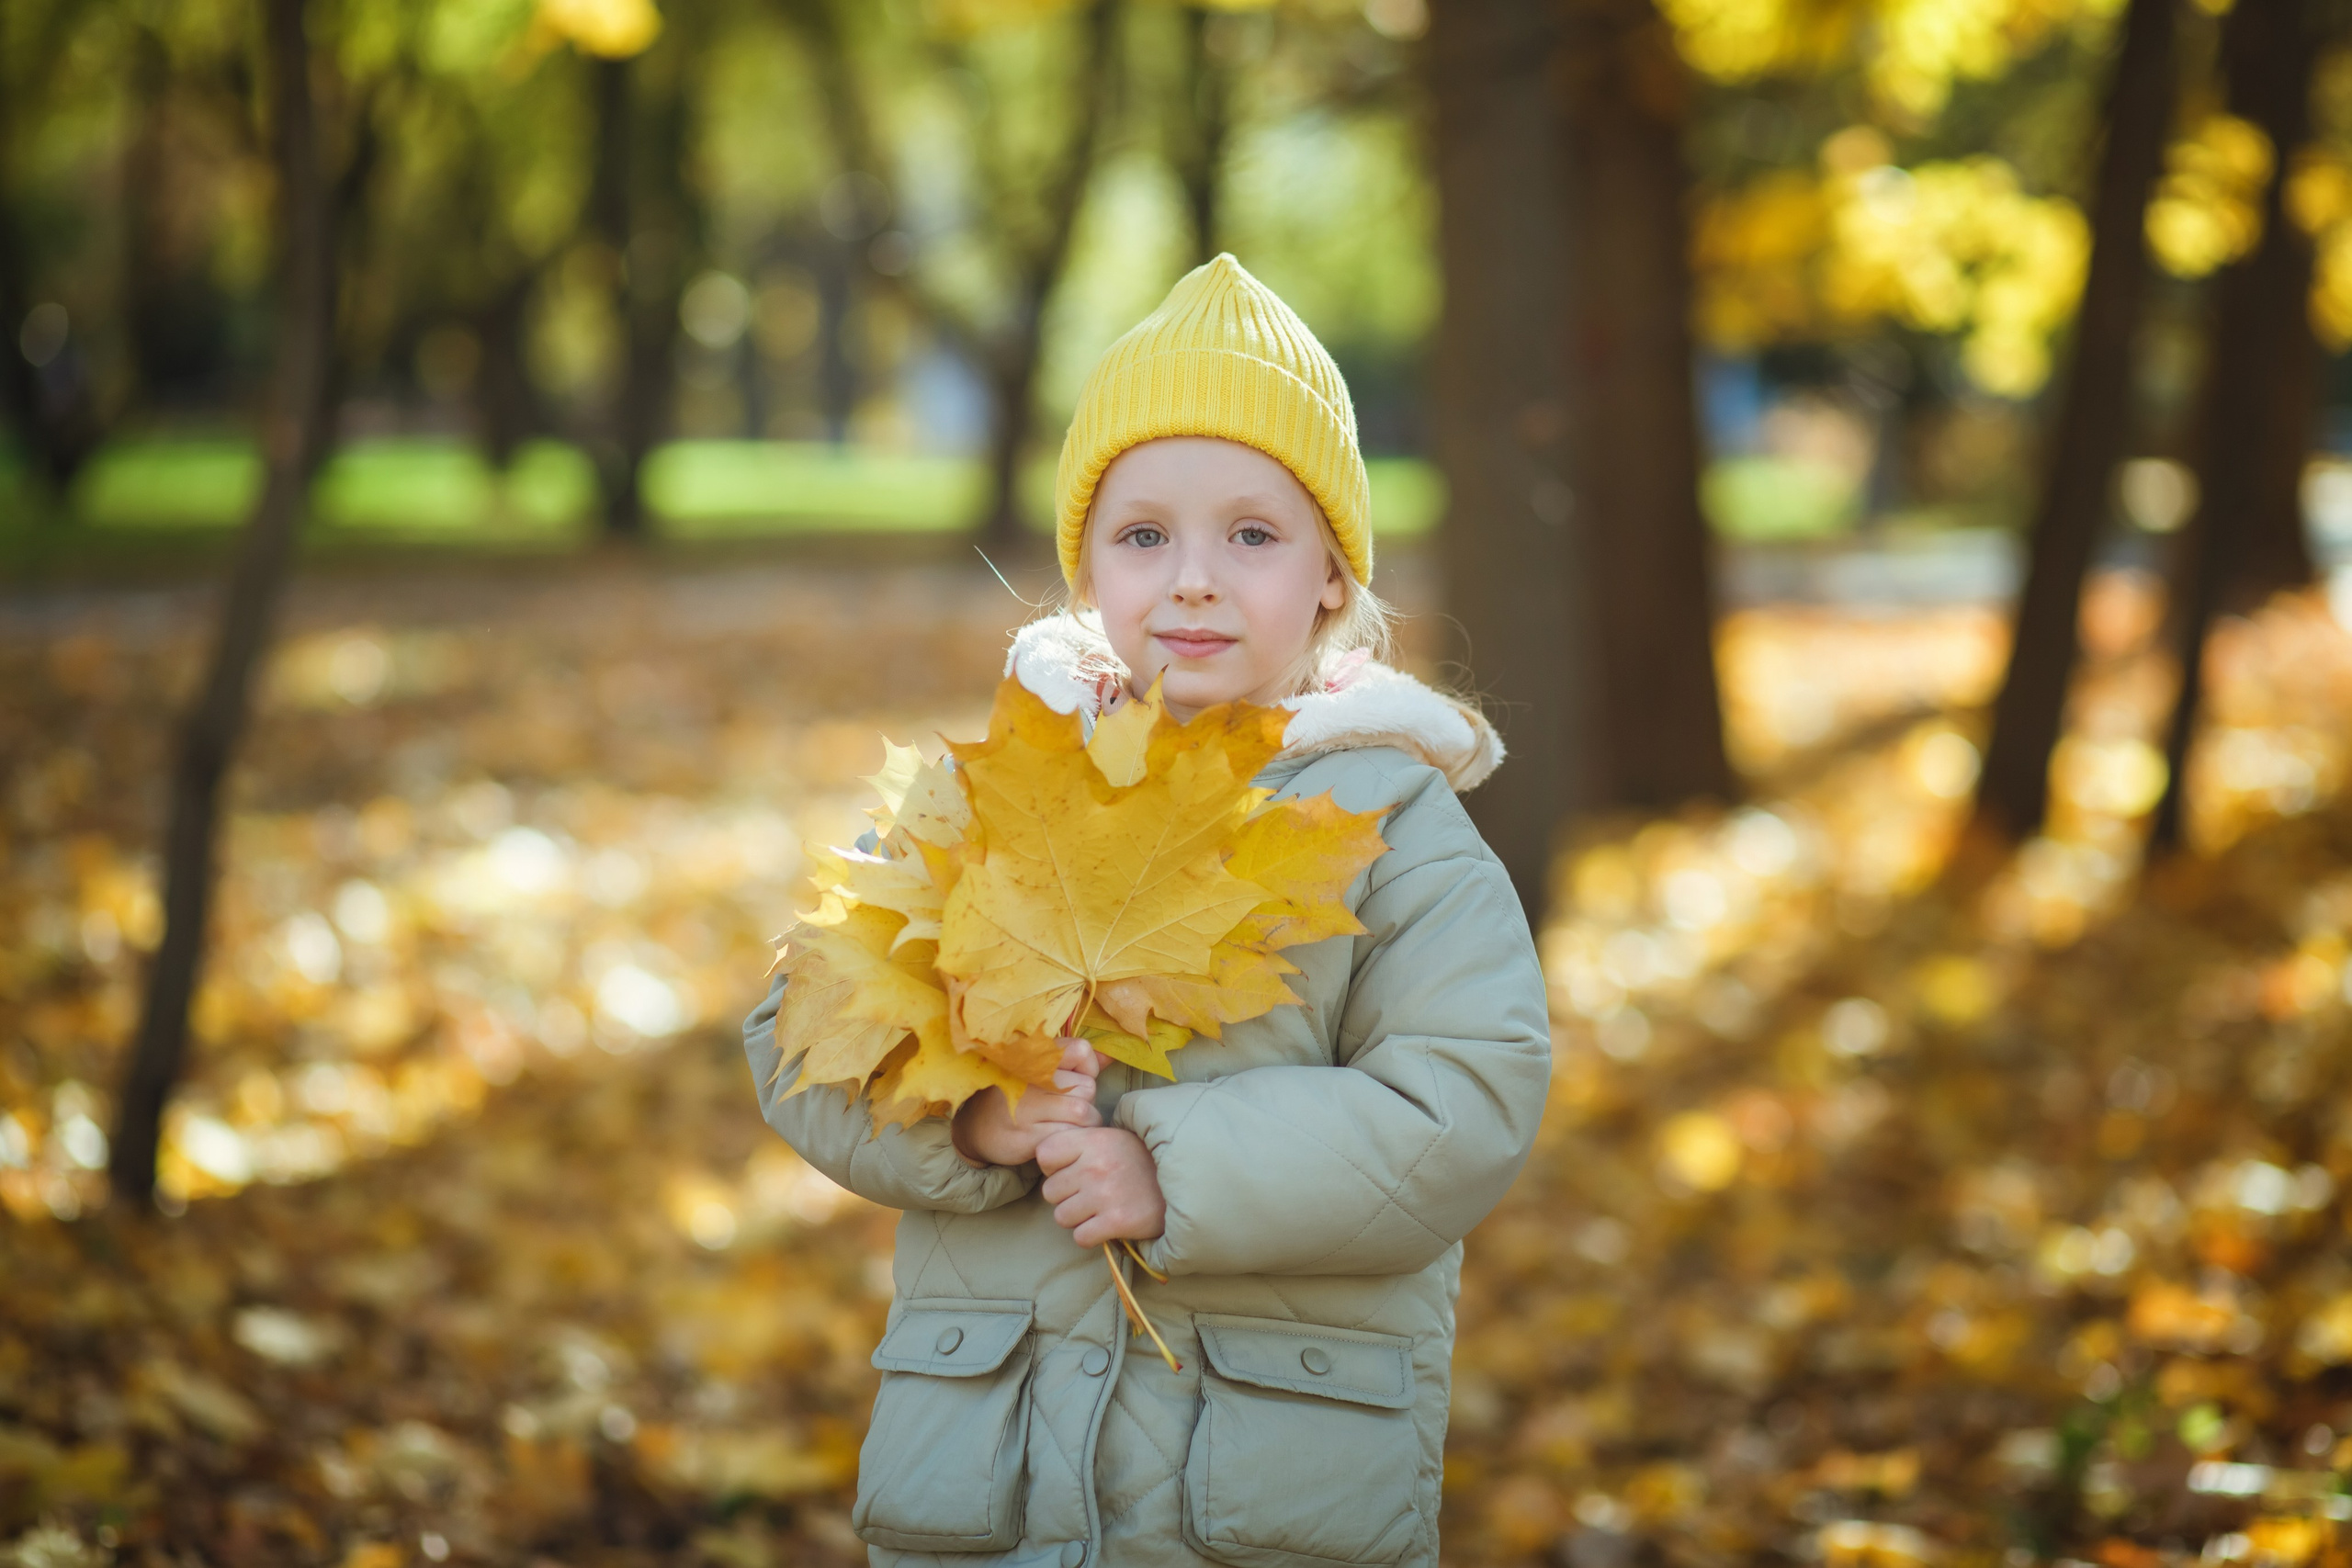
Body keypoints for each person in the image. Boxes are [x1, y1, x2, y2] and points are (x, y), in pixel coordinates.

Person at [745, 254, 1551, 1568]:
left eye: (1251, 535)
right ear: (1087, 571)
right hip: (989, 1481)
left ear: (1332, 579)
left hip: (1258, 1484)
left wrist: (1170, 1166)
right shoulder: (993, 795)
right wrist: (977, 1117)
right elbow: (801, 1031)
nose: (1191, 581)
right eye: (1142, 536)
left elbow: (1463, 1100)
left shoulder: (1386, 823)